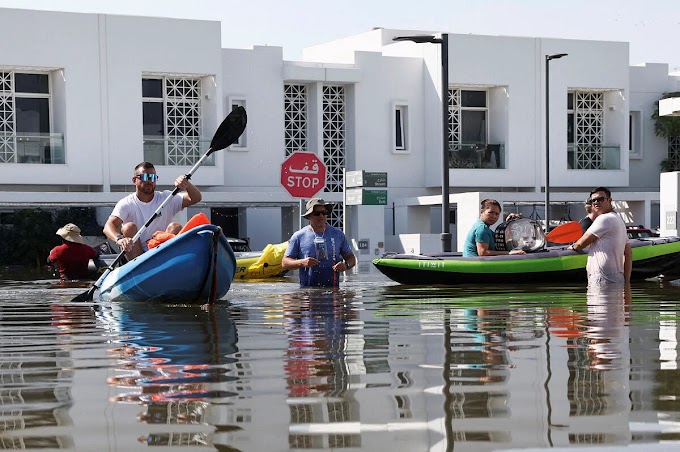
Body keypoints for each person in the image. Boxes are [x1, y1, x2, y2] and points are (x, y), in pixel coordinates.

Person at [103, 162, 202, 260]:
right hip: (137, 254)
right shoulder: (126, 203)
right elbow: (108, 227)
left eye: (153, 178)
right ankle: (138, 268)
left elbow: (196, 198)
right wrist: (120, 239)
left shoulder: (166, 198)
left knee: (175, 227)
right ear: (134, 180)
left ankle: (169, 264)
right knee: (128, 227)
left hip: (161, 251)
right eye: (146, 177)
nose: (150, 181)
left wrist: (187, 184)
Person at [282, 198, 357, 287]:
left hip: (333, 291)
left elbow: (351, 258)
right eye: (317, 213)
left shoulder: (338, 234)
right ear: (309, 216)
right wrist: (302, 262)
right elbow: (285, 262)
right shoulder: (299, 236)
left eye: (324, 212)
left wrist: (346, 265)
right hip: (308, 291)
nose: (321, 216)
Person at [567, 187, 632, 285]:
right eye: (593, 200)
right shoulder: (619, 220)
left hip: (602, 279)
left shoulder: (604, 219)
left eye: (600, 199)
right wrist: (626, 281)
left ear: (609, 200)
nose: (596, 202)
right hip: (616, 278)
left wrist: (573, 246)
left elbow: (581, 243)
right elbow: (628, 253)